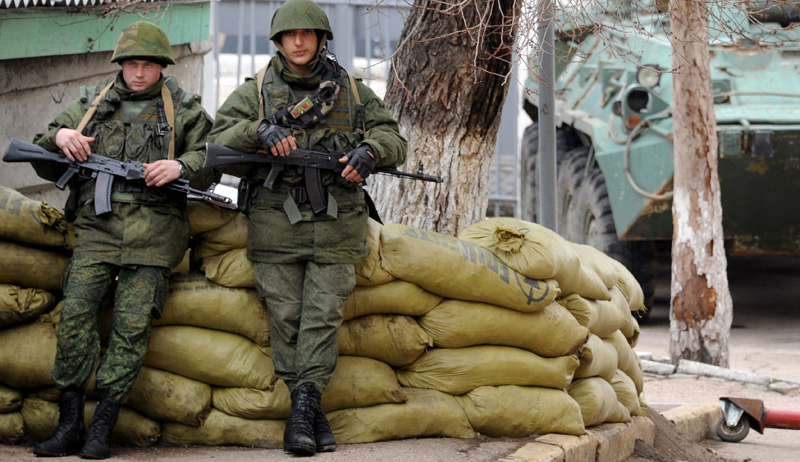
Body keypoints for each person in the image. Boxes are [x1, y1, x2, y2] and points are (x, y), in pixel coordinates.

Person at [207, 0, 407, 455]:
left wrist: (371, 152)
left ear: (321, 39)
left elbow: (395, 138)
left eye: (308, 33)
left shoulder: (353, 92)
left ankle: (302, 409)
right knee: (286, 317)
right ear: (278, 41)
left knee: (322, 317)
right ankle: (310, 412)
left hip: (338, 225)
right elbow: (215, 140)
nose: (299, 41)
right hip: (274, 225)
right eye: (290, 34)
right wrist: (259, 131)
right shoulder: (255, 92)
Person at [29, 21, 215, 460]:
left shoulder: (182, 108)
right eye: (131, 63)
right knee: (74, 317)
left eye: (148, 65)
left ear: (162, 66)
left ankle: (101, 429)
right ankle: (70, 424)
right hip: (97, 230)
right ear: (120, 65)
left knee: (131, 331)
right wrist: (61, 137)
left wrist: (181, 168)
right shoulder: (92, 104)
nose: (138, 72)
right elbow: (41, 145)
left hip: (154, 236)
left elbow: (211, 156)